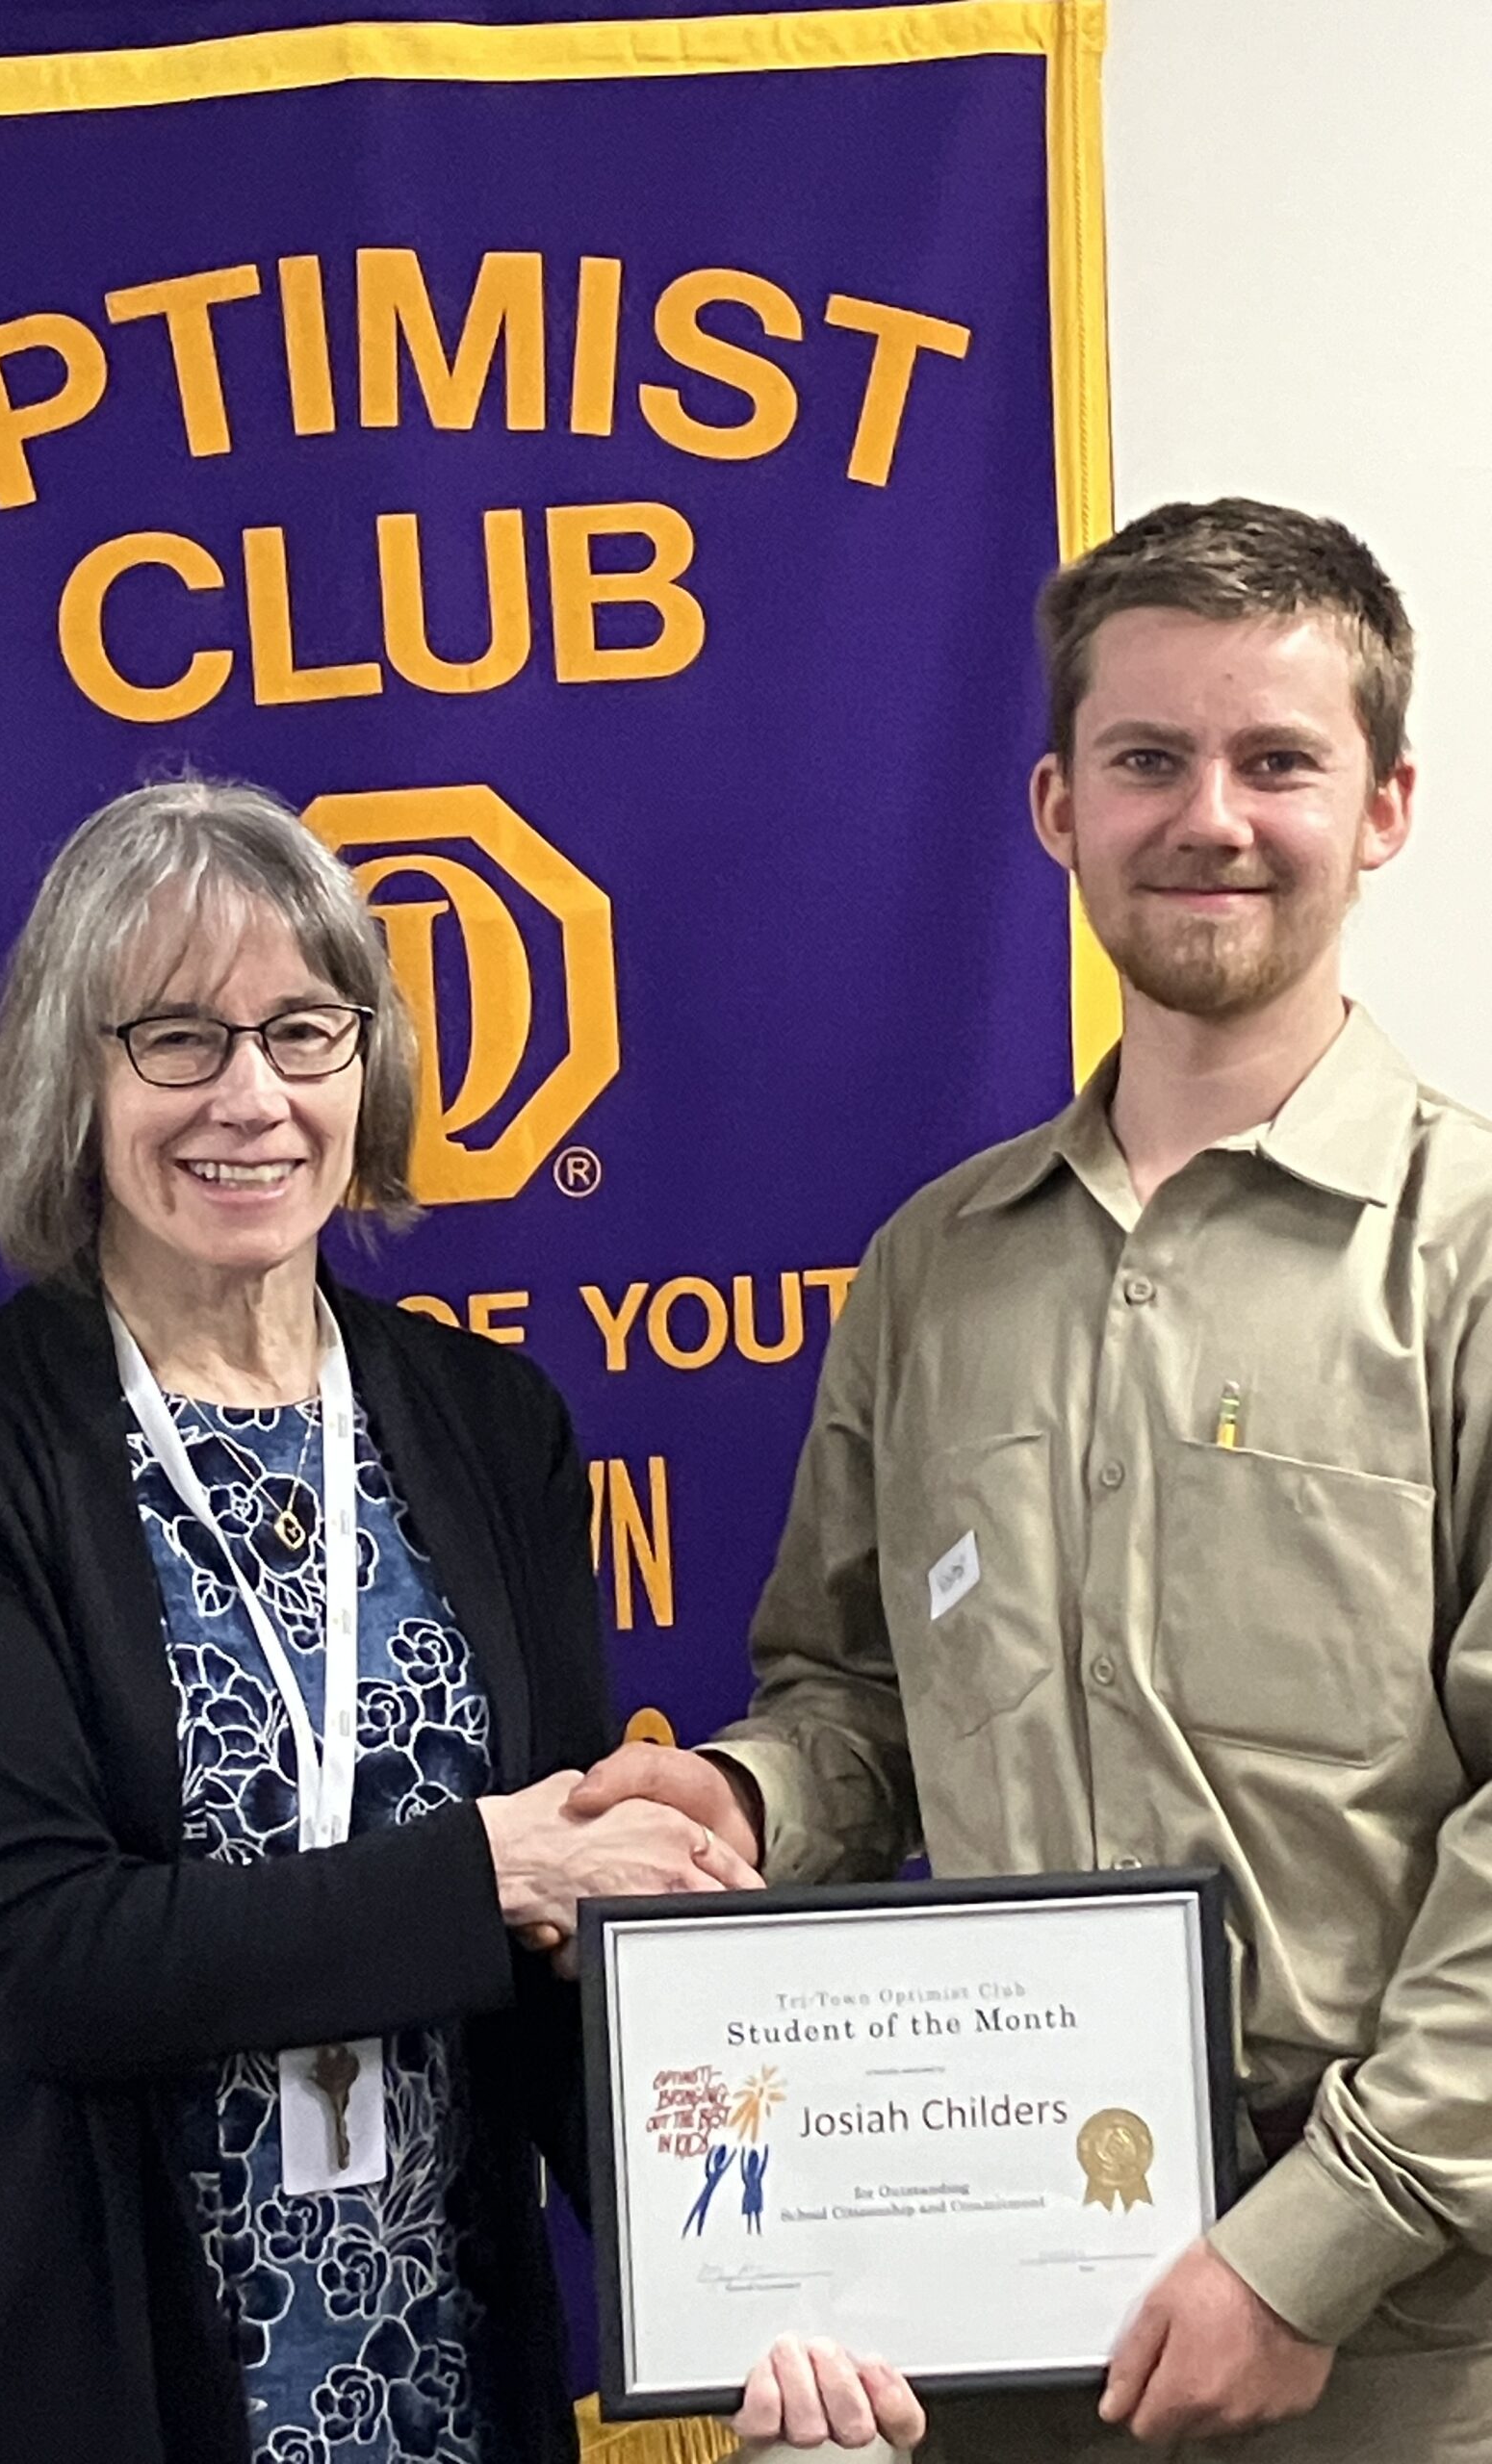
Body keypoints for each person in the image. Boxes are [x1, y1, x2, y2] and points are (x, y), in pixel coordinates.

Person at [570, 500, 1492, 2457]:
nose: (1211, 815)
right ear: (1058, 802)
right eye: (1148, 758)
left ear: (1389, 804)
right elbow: (863, 1696)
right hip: (993, 2307)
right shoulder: (936, 1266)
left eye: (1278, 760)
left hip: (1401, 2335)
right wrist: (740, 1795)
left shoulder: (1472, 1257)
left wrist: (1313, 2246)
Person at [0, 778, 886, 2464]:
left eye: (304, 1031)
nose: (250, 1096)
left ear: (366, 1064)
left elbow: (558, 1965)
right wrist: (495, 1868)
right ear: (71, 1080)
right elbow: (32, 1959)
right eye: (175, 1037)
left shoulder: (483, 1422)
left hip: (440, 2371)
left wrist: (769, 2292)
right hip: (77, 2373)